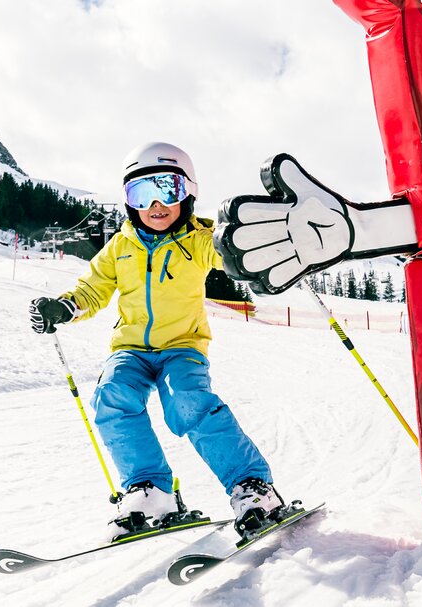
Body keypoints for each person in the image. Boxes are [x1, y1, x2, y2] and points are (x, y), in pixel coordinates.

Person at [29, 142, 283, 541]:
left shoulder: (198, 240)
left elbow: (226, 251)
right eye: (140, 194)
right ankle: (150, 491)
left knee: (188, 400)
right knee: (111, 396)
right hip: (130, 349)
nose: (155, 204)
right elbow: (93, 288)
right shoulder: (121, 246)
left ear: (188, 192)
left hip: (183, 346)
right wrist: (66, 306)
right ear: (129, 202)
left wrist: (250, 242)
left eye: (167, 189)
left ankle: (253, 489)